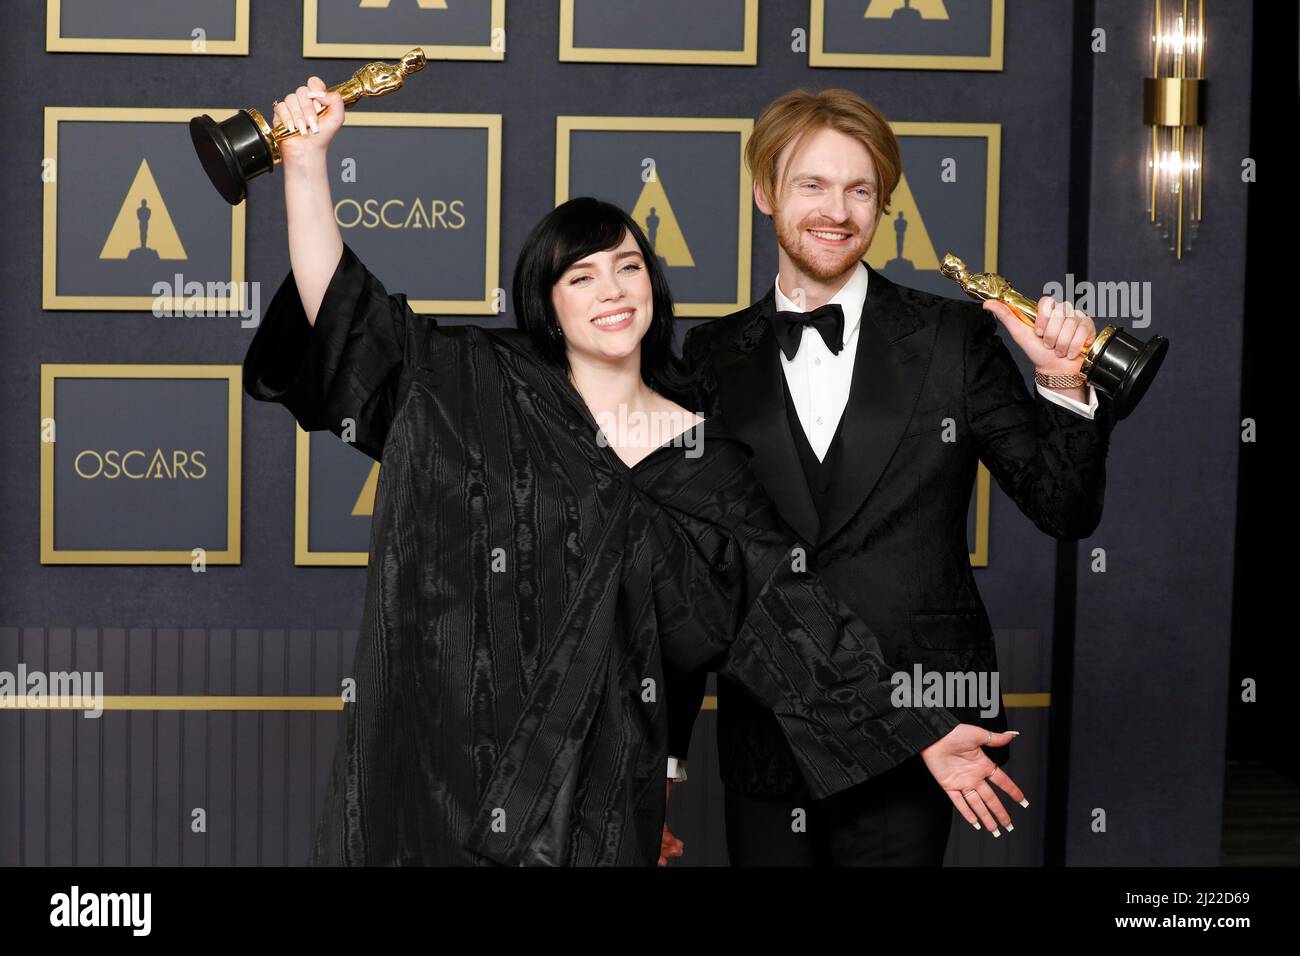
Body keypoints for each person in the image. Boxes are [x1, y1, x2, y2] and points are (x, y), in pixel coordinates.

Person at [242, 78, 1025, 866]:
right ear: (547, 303)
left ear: (654, 282)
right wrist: (306, 165)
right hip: (449, 757)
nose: (611, 292)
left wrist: (916, 733)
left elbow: (786, 617)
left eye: (627, 267)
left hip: (601, 778)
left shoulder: (703, 457)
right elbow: (348, 316)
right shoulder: (481, 384)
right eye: (581, 276)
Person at [665, 88, 1115, 865]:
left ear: (882, 205)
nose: (836, 210)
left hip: (923, 726)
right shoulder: (712, 355)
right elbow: (693, 568)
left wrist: (1065, 389)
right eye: (812, 184)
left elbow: (1063, 507)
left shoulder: (954, 337)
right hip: (772, 727)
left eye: (860, 189)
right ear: (765, 190)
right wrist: (662, 757)